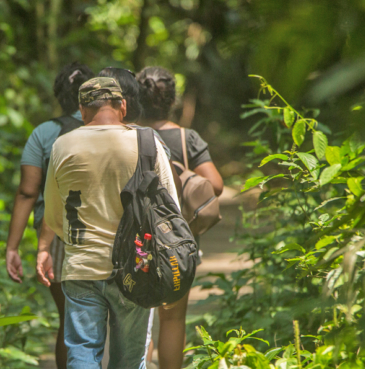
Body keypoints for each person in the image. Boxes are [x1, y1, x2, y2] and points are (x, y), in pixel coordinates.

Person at [36, 77, 180, 369]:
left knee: (83, 353)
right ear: (123, 106)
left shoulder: (62, 145)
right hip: (137, 267)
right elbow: (171, 211)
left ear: (82, 111)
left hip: (81, 267)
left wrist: (45, 249)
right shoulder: (147, 141)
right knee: (129, 360)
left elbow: (52, 213)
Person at [5, 61, 94, 369]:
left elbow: (28, 192)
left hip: (55, 231)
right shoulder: (107, 130)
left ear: (59, 95)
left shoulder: (44, 133)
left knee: (70, 319)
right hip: (104, 230)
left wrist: (12, 247)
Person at [136, 66, 224, 369]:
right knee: (172, 318)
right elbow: (216, 185)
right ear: (172, 99)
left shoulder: (128, 135)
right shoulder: (187, 138)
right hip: (179, 244)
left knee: (140, 316)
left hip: (137, 241)